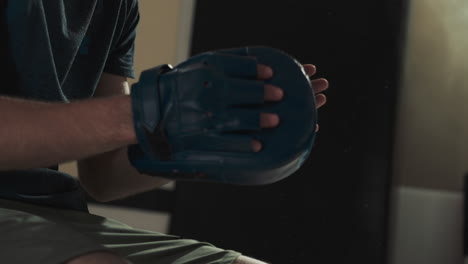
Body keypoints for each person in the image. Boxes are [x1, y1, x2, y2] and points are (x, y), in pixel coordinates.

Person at [0, 1, 329, 264]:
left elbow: (104, 176)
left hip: (51, 213)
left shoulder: (118, 7)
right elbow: (124, 118)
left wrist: (195, 137)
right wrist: (147, 111)